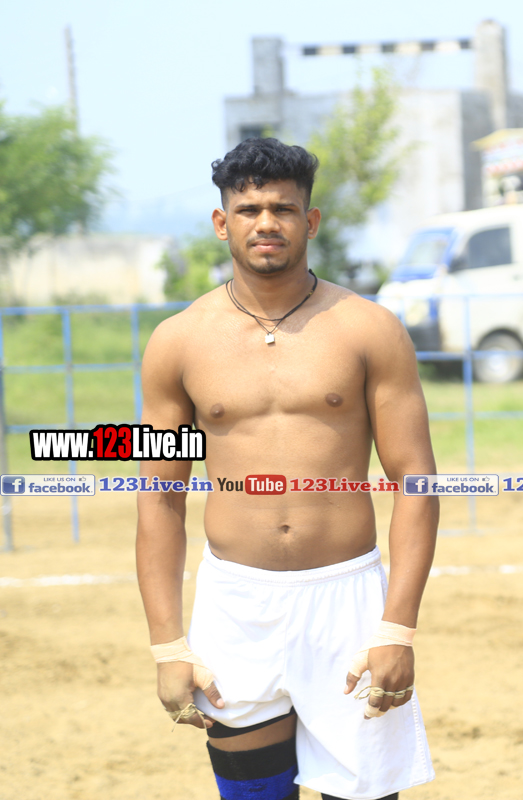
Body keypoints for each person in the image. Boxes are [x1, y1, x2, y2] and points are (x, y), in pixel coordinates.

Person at [136, 138, 438, 800]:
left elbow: (416, 484)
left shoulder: (369, 329)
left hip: (347, 599)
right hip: (236, 605)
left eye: (283, 208)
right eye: (249, 210)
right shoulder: (178, 341)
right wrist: (168, 647)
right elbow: (159, 499)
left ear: (311, 220)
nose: (266, 223)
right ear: (222, 223)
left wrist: (397, 629)